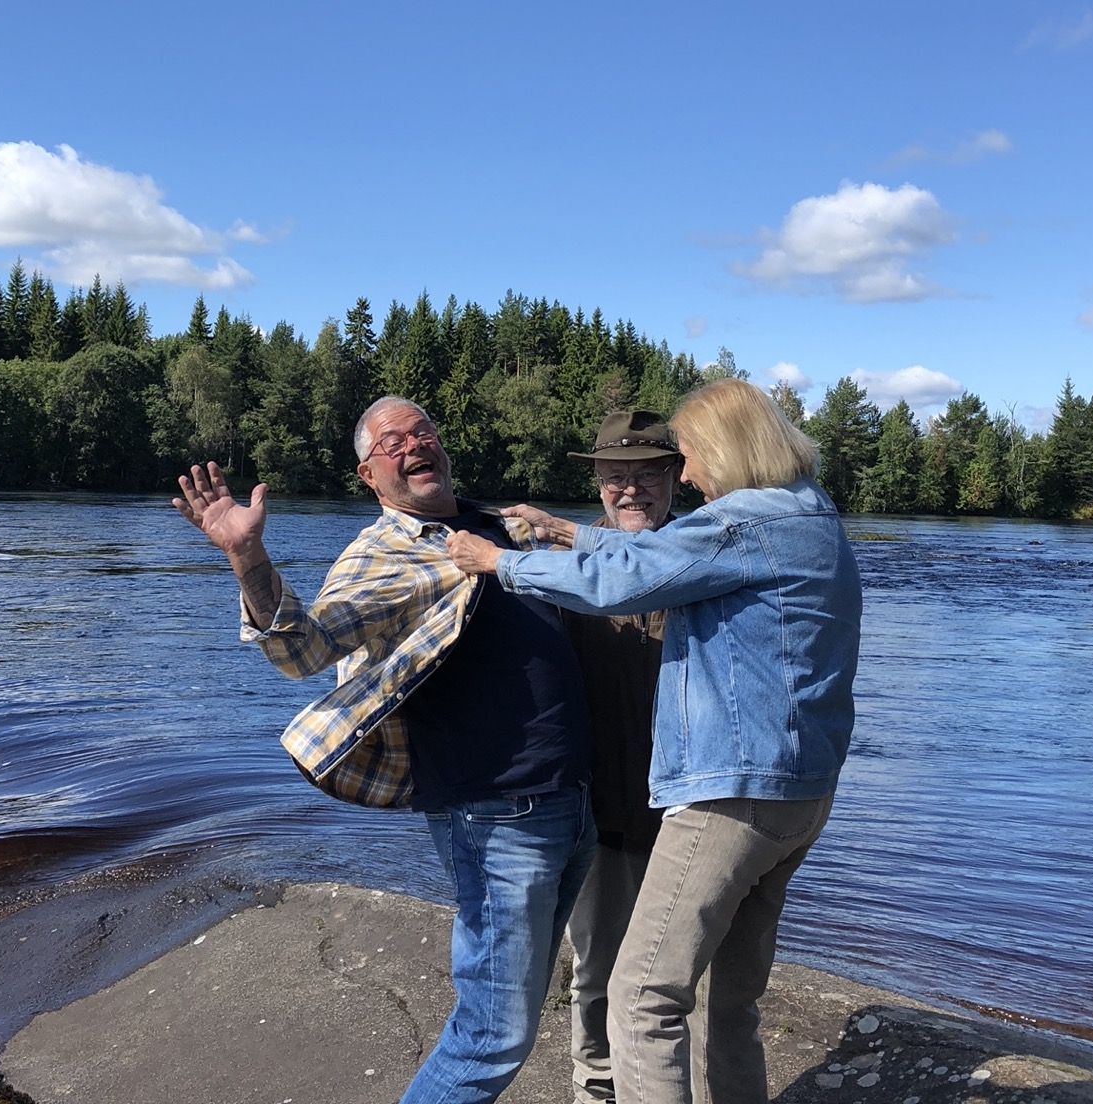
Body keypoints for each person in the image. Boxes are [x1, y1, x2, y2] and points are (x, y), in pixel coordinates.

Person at [445, 379, 861, 1104]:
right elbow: (659, 554)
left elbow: (633, 576)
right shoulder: (810, 515)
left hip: (730, 794)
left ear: (722, 451)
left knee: (641, 998)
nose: (689, 475)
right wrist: (568, 533)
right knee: (730, 1001)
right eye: (617, 475)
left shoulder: (741, 525)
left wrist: (499, 562)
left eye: (684, 458)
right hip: (799, 793)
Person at [175, 395, 596, 1104]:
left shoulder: (506, 527)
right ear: (369, 476)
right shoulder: (381, 553)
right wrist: (247, 556)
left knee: (516, 1013)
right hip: (497, 815)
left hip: (572, 800)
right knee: (493, 1033)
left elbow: (610, 574)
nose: (413, 445)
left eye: (422, 432)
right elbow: (303, 648)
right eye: (391, 443)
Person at [558, 410, 682, 1104]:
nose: (630, 490)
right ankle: (595, 1087)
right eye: (615, 476)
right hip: (598, 808)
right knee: (597, 966)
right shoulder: (566, 563)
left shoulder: (708, 556)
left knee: (684, 975)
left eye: (646, 475)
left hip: (690, 814)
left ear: (675, 478)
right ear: (598, 482)